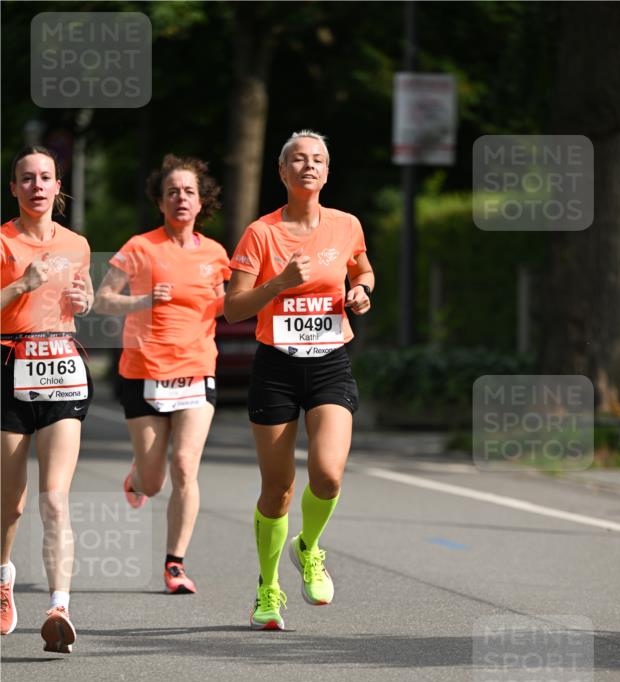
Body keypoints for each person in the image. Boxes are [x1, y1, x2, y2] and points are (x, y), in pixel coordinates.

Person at [225, 130, 374, 630]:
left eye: (318, 160)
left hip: (330, 362)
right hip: (277, 368)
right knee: (279, 488)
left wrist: (362, 291)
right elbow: (233, 308)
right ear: (282, 171)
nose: (308, 166)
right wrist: (280, 283)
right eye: (298, 159)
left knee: (328, 475)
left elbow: (363, 270)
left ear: (327, 173)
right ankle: (267, 590)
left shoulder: (346, 225)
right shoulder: (261, 233)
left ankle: (308, 547)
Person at [94, 155, 231, 594]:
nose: (181, 198)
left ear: (201, 201)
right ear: (160, 201)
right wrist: (145, 299)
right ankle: (138, 477)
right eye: (172, 192)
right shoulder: (140, 247)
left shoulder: (215, 254)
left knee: (185, 466)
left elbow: (224, 305)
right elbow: (102, 299)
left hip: (196, 369)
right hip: (144, 370)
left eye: (189, 191)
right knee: (154, 482)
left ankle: (175, 564)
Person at [1, 146, 94, 652]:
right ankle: (3, 578)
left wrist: (86, 300)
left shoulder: (77, 244)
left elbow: (84, 296)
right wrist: (21, 285)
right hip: (9, 369)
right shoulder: (2, 241)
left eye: (45, 178)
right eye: (27, 178)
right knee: (11, 505)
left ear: (58, 186)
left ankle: (59, 607)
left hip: (62, 369)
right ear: (14, 187)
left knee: (54, 498)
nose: (36, 185)